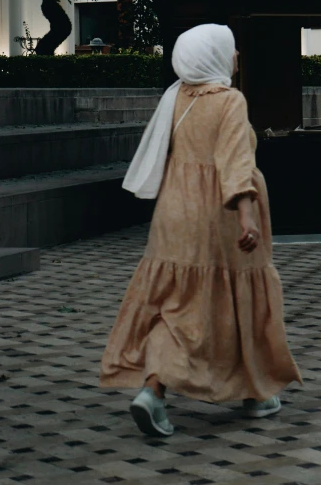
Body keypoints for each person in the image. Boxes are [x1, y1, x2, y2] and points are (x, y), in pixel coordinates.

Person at [100, 23, 302, 436]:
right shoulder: (229, 100)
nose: (236, 56)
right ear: (213, 57)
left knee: (175, 305)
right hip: (218, 215)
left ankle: (154, 393)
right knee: (233, 302)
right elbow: (234, 162)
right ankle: (256, 392)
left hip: (173, 212)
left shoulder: (175, 97)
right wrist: (246, 216)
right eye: (230, 50)